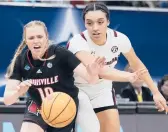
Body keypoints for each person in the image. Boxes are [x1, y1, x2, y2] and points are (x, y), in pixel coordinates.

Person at [3, 20, 143, 132]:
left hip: (65, 104)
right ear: (26, 41)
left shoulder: (61, 54)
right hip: (38, 105)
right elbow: (8, 100)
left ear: (46, 37)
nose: (36, 41)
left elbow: (91, 79)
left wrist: (93, 71)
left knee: (92, 127)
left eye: (39, 36)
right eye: (31, 38)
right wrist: (18, 92)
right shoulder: (21, 60)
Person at [67, 2, 168, 132]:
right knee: (92, 129)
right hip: (78, 89)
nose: (95, 27)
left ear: (108, 21)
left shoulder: (120, 39)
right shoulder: (77, 42)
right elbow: (101, 71)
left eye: (100, 22)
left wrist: (155, 92)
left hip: (102, 89)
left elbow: (136, 63)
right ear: (84, 24)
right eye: (89, 23)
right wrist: (128, 76)